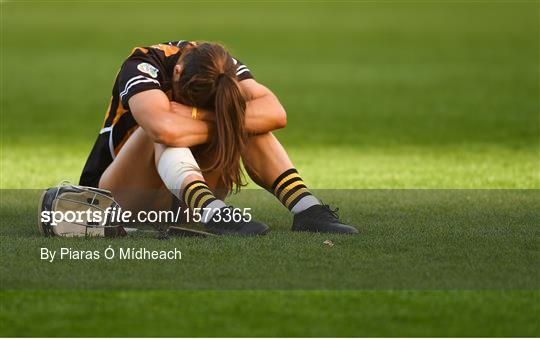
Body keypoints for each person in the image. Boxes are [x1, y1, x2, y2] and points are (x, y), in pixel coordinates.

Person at [80, 40, 357, 235]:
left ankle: (306, 209)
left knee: (246, 120)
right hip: (122, 202)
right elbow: (164, 130)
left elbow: (276, 112)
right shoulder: (144, 63)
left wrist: (201, 116)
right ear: (176, 71)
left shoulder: (223, 68)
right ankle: (214, 213)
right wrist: (223, 119)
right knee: (162, 130)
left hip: (186, 205)